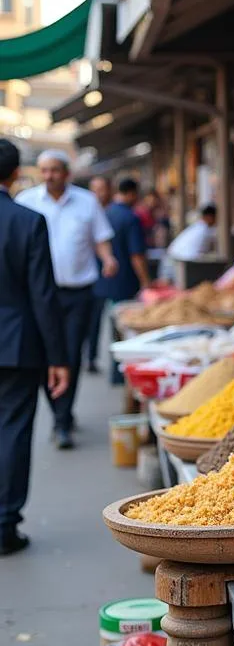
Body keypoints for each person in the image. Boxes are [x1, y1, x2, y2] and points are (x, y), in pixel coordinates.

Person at [15, 149, 118, 450]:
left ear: (66, 173)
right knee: (46, 354)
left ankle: (62, 420)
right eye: (44, 170)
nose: (49, 176)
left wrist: (108, 259)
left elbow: (100, 239)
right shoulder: (26, 202)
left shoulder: (86, 202)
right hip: (37, 295)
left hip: (77, 293)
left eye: (55, 170)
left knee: (70, 354)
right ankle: (60, 411)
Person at [0, 140, 70, 555]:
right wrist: (58, 357)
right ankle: (4, 525)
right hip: (16, 344)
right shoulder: (28, 221)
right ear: (14, 175)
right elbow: (44, 295)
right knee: (12, 430)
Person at [90, 177, 150, 383]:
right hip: (124, 281)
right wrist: (145, 281)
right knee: (123, 326)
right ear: (132, 193)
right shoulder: (130, 218)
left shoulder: (105, 213)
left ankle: (99, 362)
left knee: (102, 323)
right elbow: (136, 255)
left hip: (103, 280)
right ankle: (119, 371)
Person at [85, 175, 112, 373]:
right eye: (94, 189)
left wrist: (108, 259)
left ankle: (92, 357)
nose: (97, 194)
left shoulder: (110, 214)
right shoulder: (85, 210)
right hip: (81, 279)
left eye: (101, 189)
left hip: (102, 278)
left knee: (96, 319)